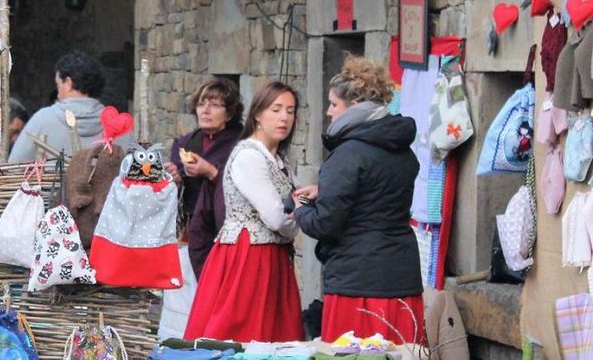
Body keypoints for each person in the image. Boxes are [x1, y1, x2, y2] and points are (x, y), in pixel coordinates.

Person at [293, 56, 424, 344]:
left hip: (359, 285)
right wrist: (324, 189)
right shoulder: (401, 150)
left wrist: (299, 208)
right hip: (401, 279)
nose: (328, 112)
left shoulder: (348, 154)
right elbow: (375, 194)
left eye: (333, 104)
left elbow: (324, 223)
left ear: (353, 107)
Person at [182, 81, 303, 342]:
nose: (284, 117)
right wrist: (300, 210)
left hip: (272, 256)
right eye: (276, 109)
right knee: (240, 335)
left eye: (290, 111)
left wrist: (295, 212)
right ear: (258, 114)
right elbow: (276, 217)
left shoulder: (278, 159)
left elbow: (286, 217)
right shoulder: (250, 156)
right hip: (247, 259)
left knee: (274, 336)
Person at [164, 78, 244, 277]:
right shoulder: (185, 143)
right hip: (192, 231)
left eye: (214, 105)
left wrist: (211, 172)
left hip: (227, 230)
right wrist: (175, 179)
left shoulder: (242, 143)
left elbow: (245, 187)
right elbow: (175, 196)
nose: (205, 110)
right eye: (201, 104)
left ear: (230, 113)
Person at [8, 52, 133, 162]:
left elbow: (14, 168)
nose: (57, 93)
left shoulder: (42, 121)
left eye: (58, 85)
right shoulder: (121, 129)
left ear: (68, 83)